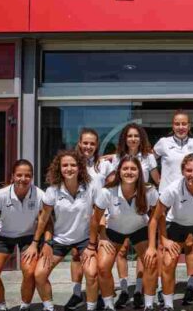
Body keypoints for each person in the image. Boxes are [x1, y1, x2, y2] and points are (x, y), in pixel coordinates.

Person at [145, 154, 193, 311]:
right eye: (189, 170)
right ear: (182, 171)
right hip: (177, 226)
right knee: (167, 262)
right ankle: (167, 305)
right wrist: (159, 243)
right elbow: (155, 218)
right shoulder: (172, 189)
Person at [86, 155, 160, 311]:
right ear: (119, 171)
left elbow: (157, 216)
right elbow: (95, 219)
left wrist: (154, 245)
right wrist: (95, 243)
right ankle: (108, 304)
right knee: (103, 267)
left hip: (140, 230)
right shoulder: (107, 192)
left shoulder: (149, 190)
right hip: (114, 231)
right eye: (125, 168)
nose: (129, 172)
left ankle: (148, 304)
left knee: (151, 263)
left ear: (139, 172)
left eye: (133, 169)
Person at [29, 150, 100, 311]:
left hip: (84, 240)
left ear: (80, 167)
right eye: (65, 165)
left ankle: (91, 308)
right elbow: (43, 219)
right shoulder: (52, 191)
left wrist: (94, 243)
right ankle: (49, 308)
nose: (69, 168)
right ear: (59, 168)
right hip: (59, 240)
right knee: (39, 274)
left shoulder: (91, 187)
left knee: (91, 274)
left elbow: (97, 216)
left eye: (73, 165)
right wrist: (38, 243)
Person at [153, 110, 193, 304]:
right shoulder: (163, 143)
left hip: (190, 196)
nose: (181, 127)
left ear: (189, 126)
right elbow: (148, 161)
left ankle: (191, 283)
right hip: (167, 199)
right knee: (163, 245)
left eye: (184, 124)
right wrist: (160, 184)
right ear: (172, 125)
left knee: (190, 244)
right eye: (177, 124)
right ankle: (161, 285)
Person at [108, 123, 161, 308]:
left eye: (136, 136)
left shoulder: (148, 156)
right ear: (125, 138)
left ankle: (138, 290)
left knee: (143, 254)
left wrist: (160, 199)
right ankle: (124, 290)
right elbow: (114, 179)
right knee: (121, 251)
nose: (133, 139)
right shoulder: (117, 157)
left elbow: (157, 178)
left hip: (141, 208)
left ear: (141, 138)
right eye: (129, 136)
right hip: (121, 208)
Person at [0, 159, 45, 311]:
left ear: (32, 177)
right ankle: (0, 306)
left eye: (27, 175)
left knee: (30, 271)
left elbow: (44, 222)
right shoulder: (0, 195)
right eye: (19, 175)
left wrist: (35, 244)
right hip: (4, 236)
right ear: (12, 176)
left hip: (28, 236)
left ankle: (25, 305)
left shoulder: (40, 195)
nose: (23, 179)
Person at [68, 128, 115, 310]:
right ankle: (76, 292)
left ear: (97, 146)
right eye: (85, 143)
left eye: (92, 144)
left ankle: (102, 293)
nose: (88, 146)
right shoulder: (72, 164)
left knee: (99, 256)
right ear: (80, 143)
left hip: (100, 216)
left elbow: (113, 185)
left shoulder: (103, 165)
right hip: (77, 217)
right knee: (76, 255)